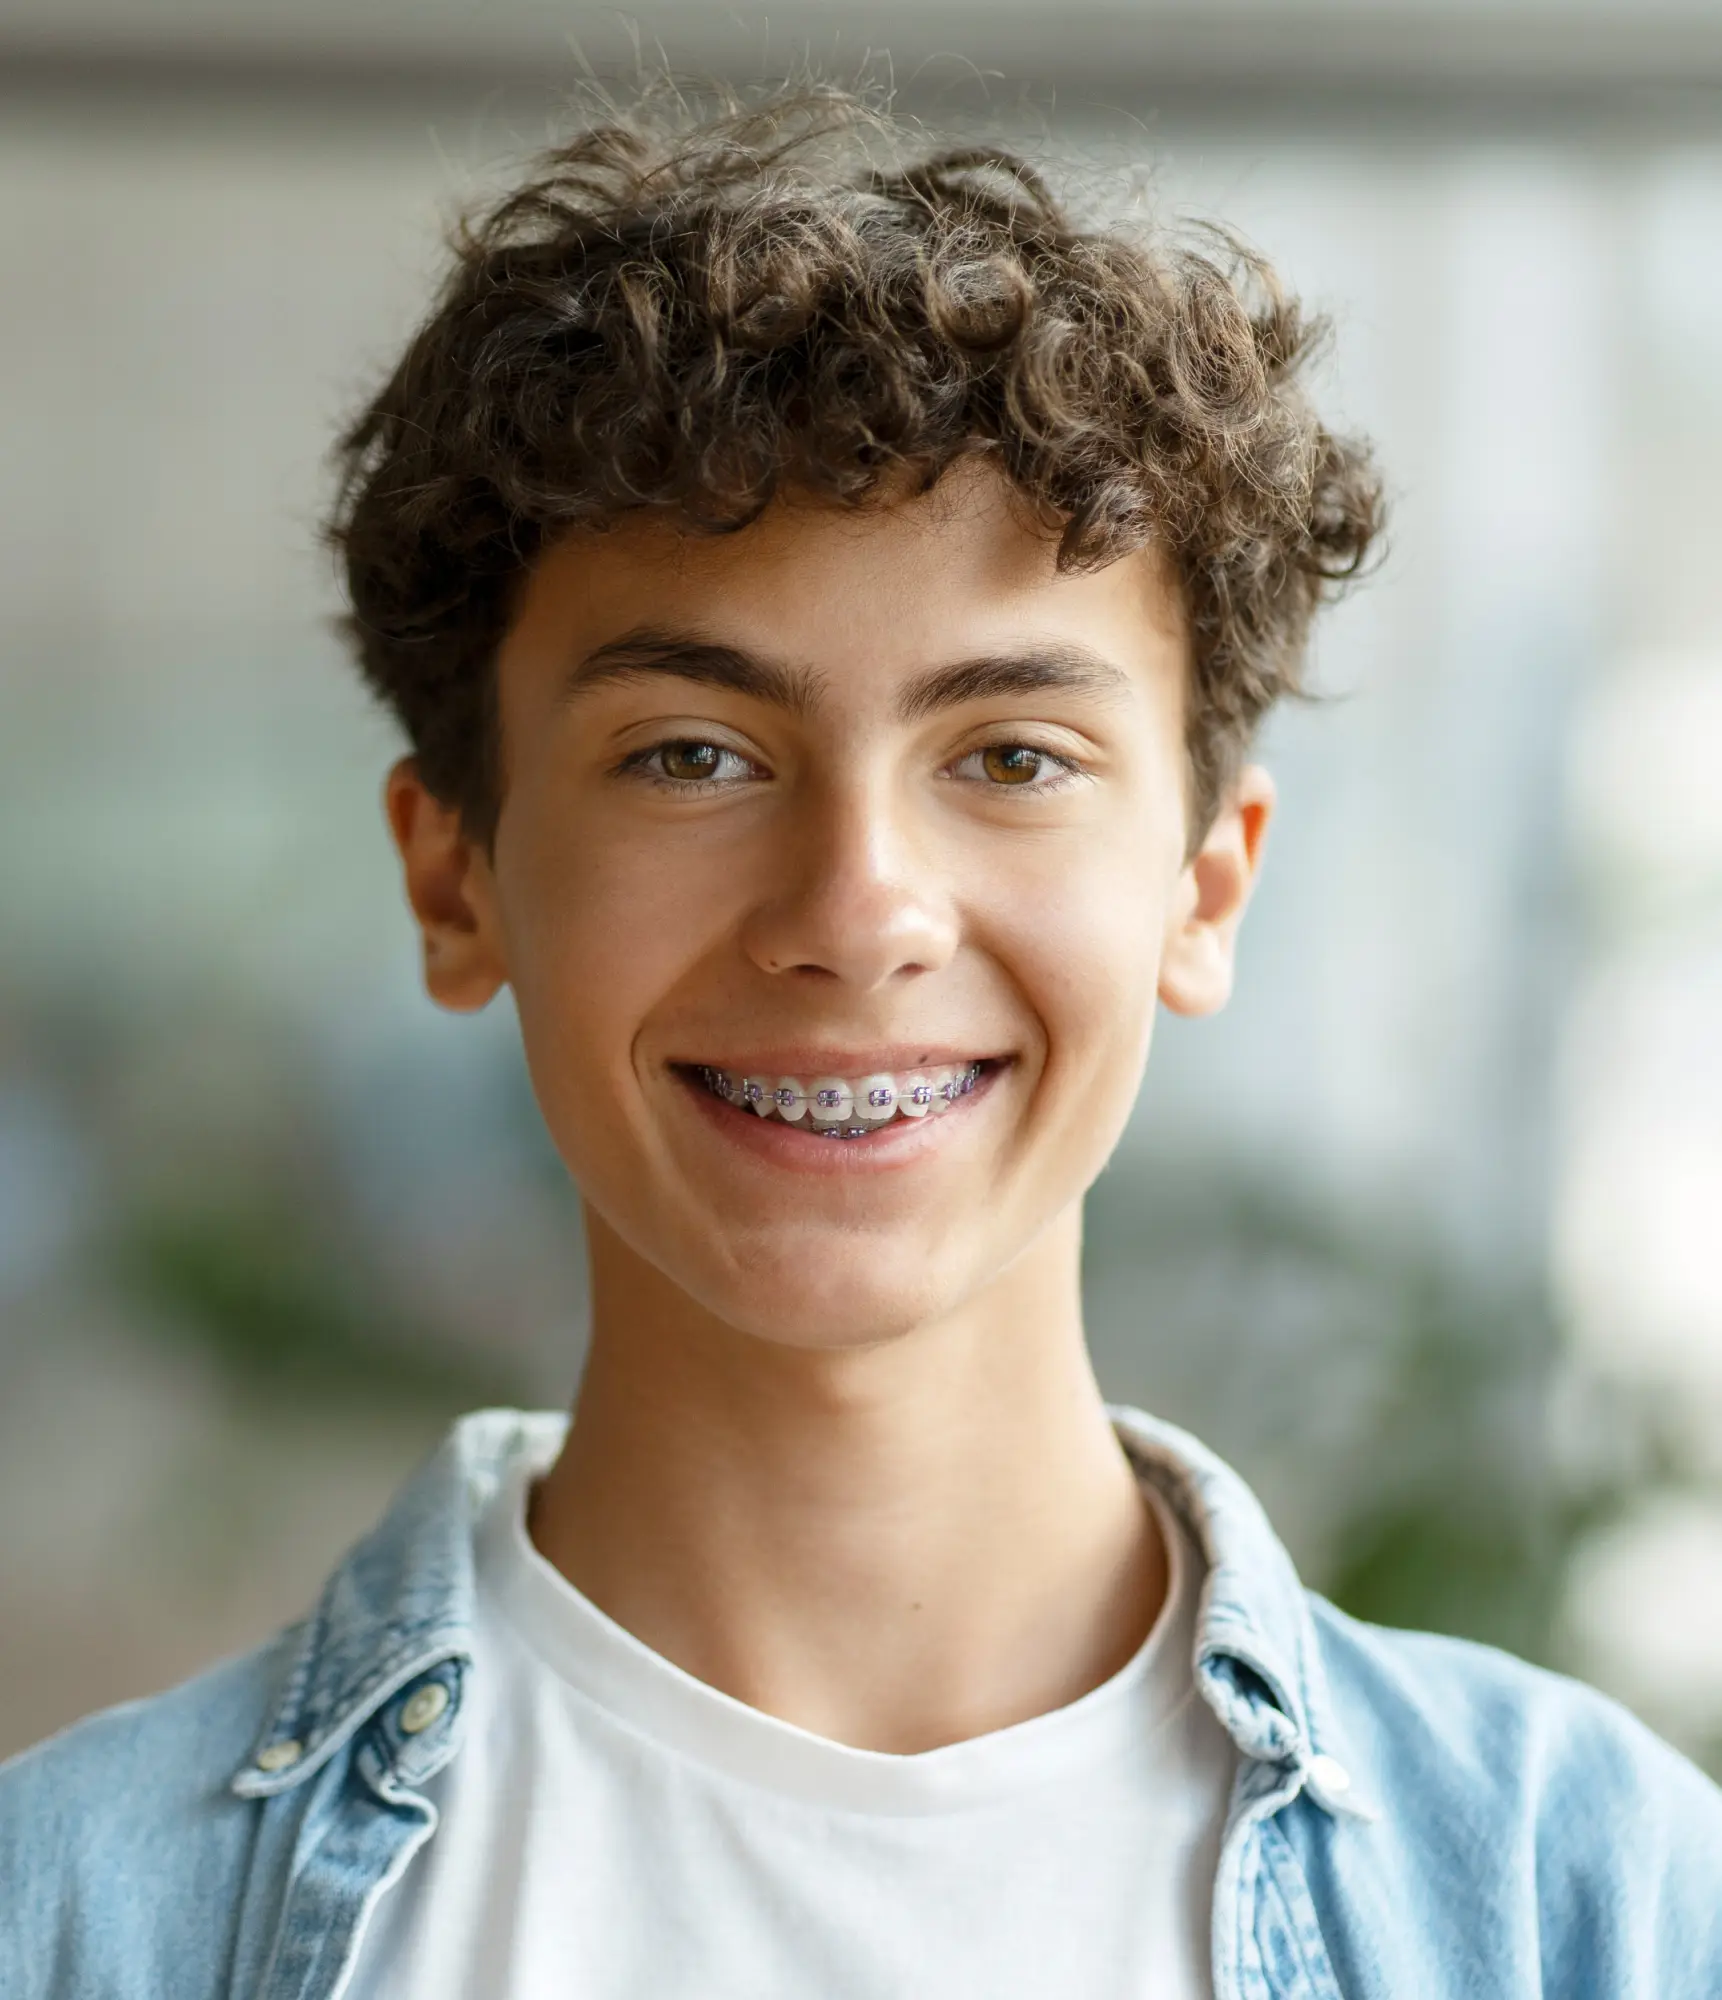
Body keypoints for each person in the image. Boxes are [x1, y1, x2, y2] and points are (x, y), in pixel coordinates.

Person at [3, 80, 1719, 2000]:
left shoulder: (1596, 1898)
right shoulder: (75, 1920)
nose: (856, 912)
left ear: (1203, 889)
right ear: (455, 875)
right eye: (693, 755)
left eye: (1010, 757)